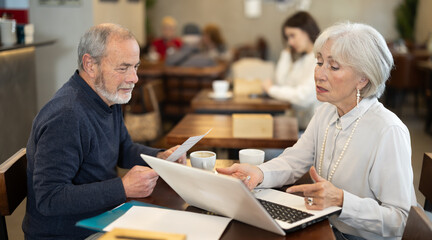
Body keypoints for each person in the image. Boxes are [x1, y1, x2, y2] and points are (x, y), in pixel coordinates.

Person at [218, 22, 417, 240]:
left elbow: (402, 220)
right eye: (319, 62)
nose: (319, 74)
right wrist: (260, 173)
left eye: (333, 67)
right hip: (324, 226)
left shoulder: (388, 130)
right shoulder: (326, 112)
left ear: (363, 79)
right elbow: (294, 160)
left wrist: (342, 201)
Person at [23, 23, 186, 240]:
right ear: (90, 64)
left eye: (135, 67)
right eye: (123, 68)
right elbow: (50, 198)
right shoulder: (66, 116)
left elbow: (123, 149)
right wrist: (123, 187)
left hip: (104, 217)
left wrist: (160, 156)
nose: (134, 78)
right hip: (68, 233)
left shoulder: (108, 96)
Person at [262, 11, 320, 129]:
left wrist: (270, 89)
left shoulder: (319, 60)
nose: (290, 42)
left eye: (292, 35)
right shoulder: (302, 61)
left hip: (312, 130)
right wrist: (287, 52)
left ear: (306, 31)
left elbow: (303, 98)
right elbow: (282, 82)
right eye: (287, 38)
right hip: (301, 126)